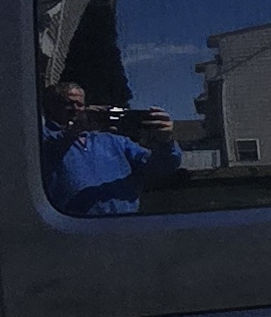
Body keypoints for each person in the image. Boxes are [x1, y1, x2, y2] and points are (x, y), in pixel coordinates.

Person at [41, 81, 179, 217]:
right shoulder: (41, 137)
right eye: (68, 104)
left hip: (124, 226)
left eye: (80, 104)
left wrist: (165, 141)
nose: (75, 109)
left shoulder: (115, 141)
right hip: (70, 229)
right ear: (53, 107)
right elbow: (43, 154)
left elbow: (161, 167)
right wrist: (74, 131)